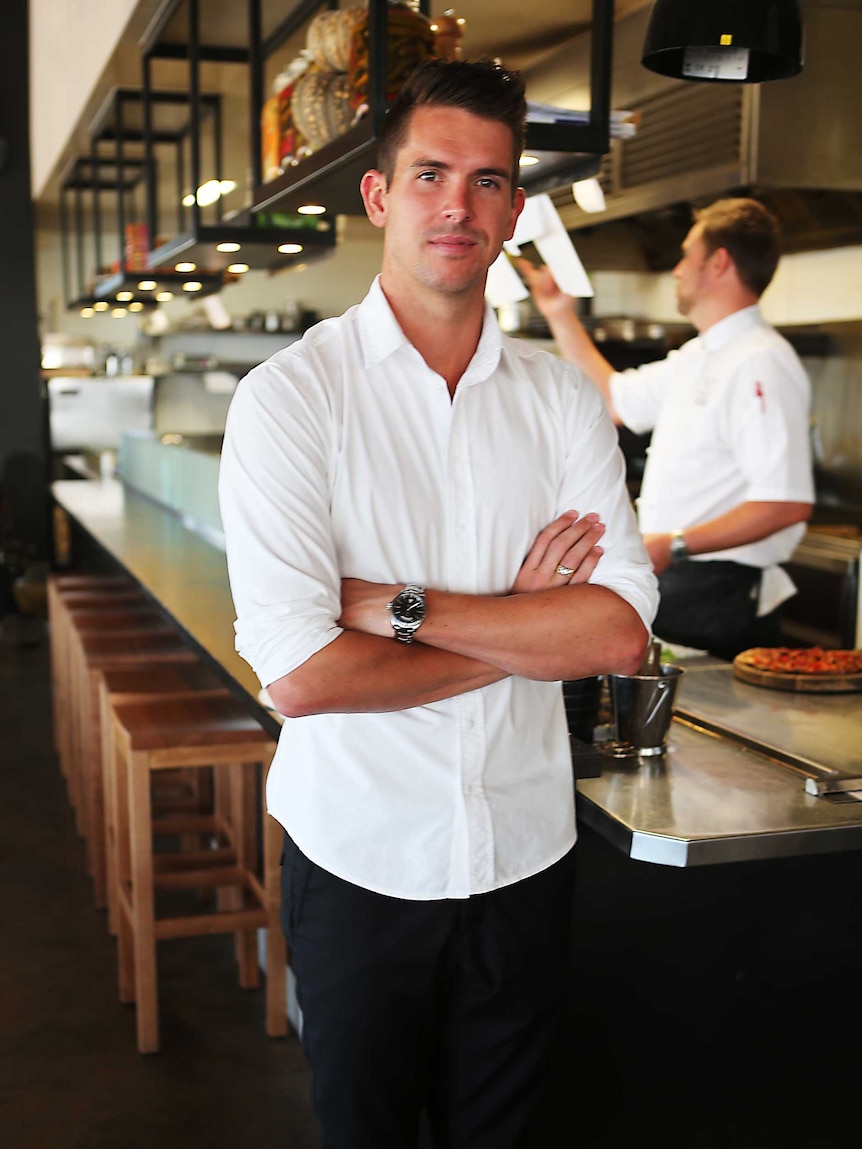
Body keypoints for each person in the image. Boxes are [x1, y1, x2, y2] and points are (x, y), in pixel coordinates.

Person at [219, 58, 657, 1149]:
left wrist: (403, 608)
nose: (456, 205)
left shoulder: (559, 401)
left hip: (524, 857)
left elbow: (615, 629)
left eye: (488, 180)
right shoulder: (290, 400)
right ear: (378, 196)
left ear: (513, 205)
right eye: (428, 174)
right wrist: (520, 624)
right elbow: (304, 677)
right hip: (360, 857)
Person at [519, 198, 815, 660]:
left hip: (720, 590)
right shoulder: (700, 356)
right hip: (681, 581)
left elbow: (785, 503)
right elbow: (615, 399)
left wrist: (673, 545)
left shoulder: (761, 360)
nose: (677, 270)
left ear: (718, 263)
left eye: (686, 256)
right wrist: (559, 313)